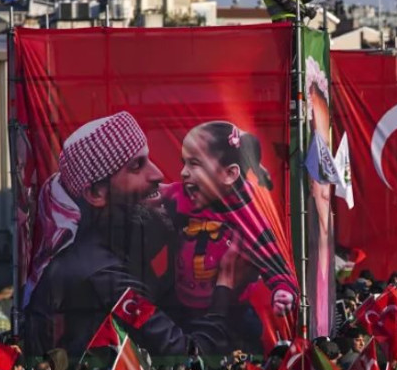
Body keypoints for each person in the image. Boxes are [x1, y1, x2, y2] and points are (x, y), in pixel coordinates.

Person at [24, 112, 247, 356]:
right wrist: (225, 282)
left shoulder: (109, 249)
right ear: (96, 194)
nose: (157, 174)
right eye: (137, 166)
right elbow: (187, 355)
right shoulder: (104, 277)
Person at [160, 121, 298, 322]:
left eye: (194, 163)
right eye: (184, 162)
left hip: (233, 311)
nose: (184, 172)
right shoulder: (183, 195)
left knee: (248, 329)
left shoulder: (250, 215)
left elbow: (274, 260)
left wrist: (283, 290)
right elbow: (158, 193)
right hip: (181, 304)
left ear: (229, 174)